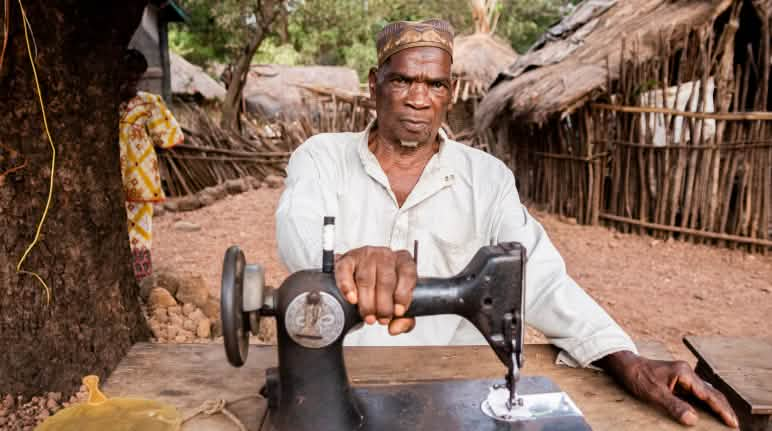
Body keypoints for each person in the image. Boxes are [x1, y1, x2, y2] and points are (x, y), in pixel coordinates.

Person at [275, 20, 738, 428]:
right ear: (375, 83)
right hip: (337, 374)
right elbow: (299, 239)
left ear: (449, 93)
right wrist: (349, 263)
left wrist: (627, 360)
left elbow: (540, 280)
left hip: (447, 382)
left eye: (434, 85)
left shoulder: (487, 178)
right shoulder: (322, 157)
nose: (419, 98)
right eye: (403, 81)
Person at [118, 49, 183, 281]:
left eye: (135, 78)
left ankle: (139, 277)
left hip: (140, 177)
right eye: (126, 77)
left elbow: (168, 137)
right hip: (117, 176)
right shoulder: (99, 104)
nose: (130, 83)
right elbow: (166, 136)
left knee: (140, 227)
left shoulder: (149, 103)